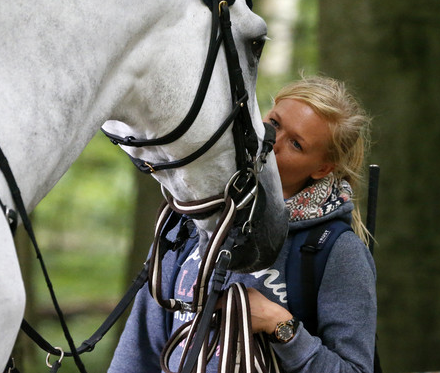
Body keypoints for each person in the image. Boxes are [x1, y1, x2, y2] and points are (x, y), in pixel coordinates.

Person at [108, 75, 376, 373]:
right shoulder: (188, 219)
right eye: (274, 123)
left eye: (297, 144)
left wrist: (280, 326)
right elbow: (139, 349)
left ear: (322, 168)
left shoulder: (336, 251)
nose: (272, 144)